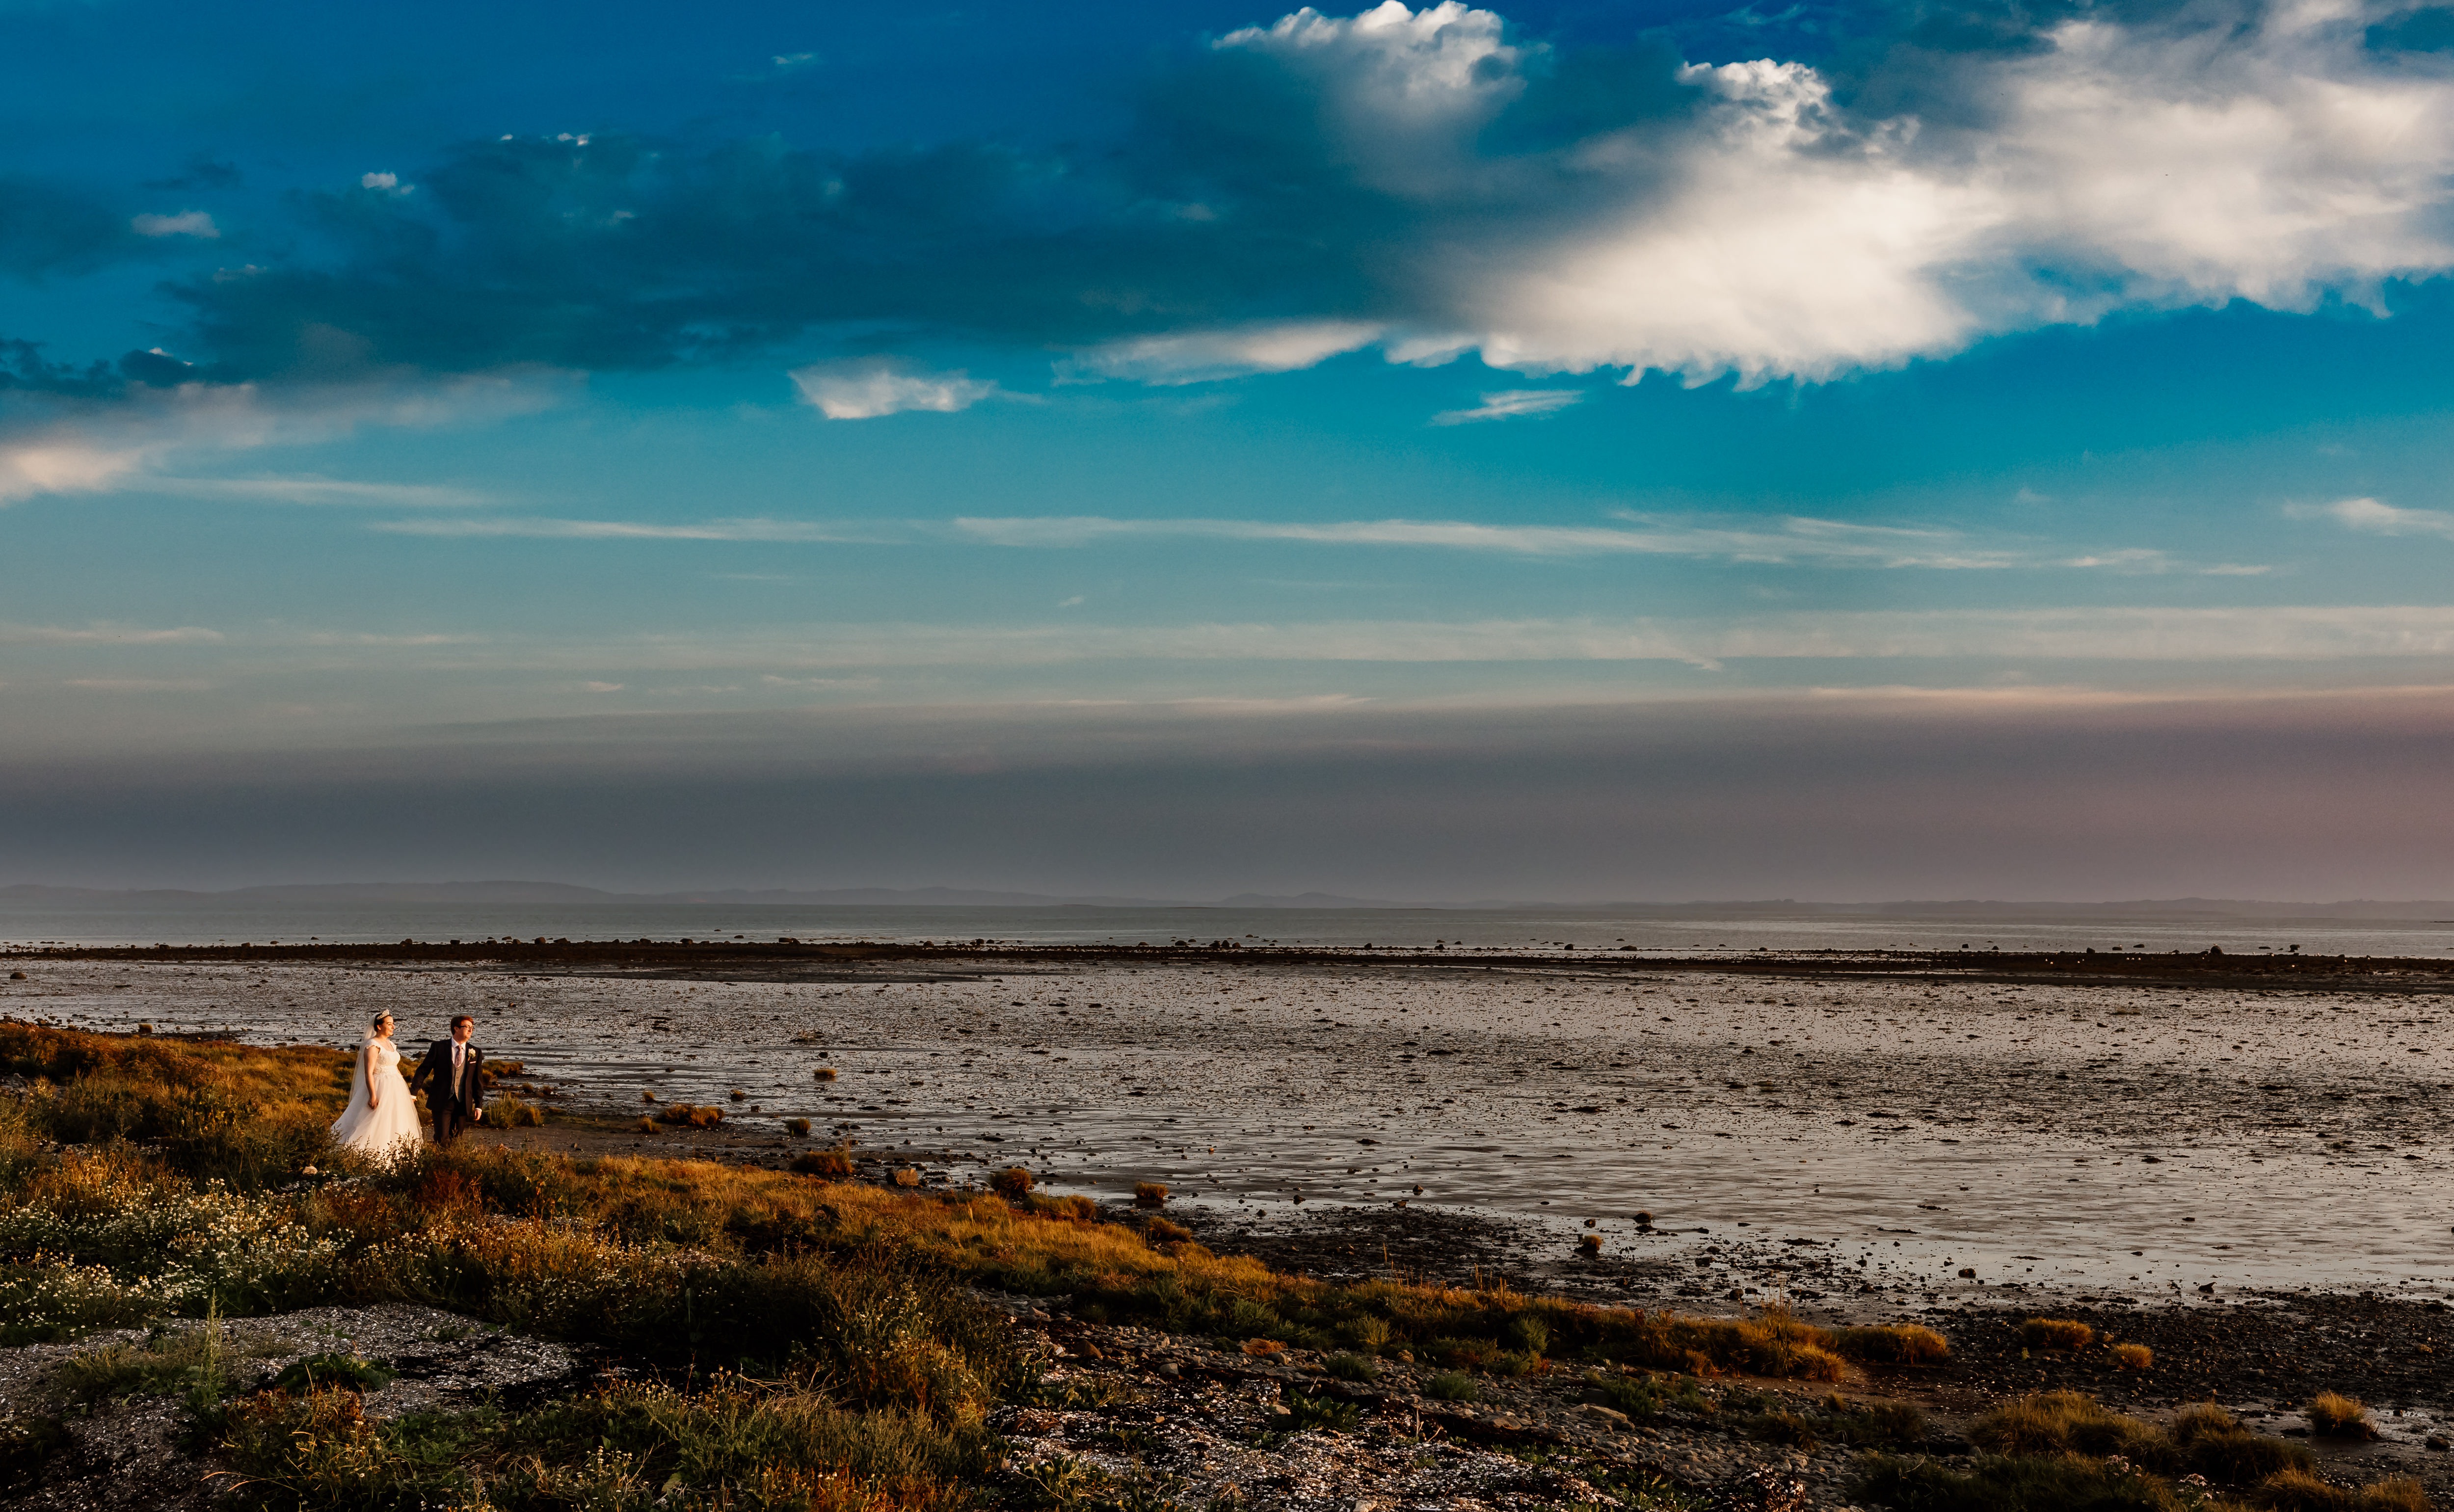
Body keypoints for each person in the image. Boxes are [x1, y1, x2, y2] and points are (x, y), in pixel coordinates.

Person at [329, 1012, 425, 1166]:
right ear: (379, 1027)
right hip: (381, 1085)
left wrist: (405, 1091)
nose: (393, 1027)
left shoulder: (391, 1045)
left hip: (396, 1086)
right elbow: (369, 1072)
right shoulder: (372, 1045)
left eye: (393, 1024)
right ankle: (368, 1155)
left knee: (397, 1119)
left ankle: (398, 1155)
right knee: (377, 1119)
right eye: (389, 1024)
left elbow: (395, 1067)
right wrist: (373, 1095)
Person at [409, 1013, 487, 1146]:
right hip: (442, 1101)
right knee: (442, 1139)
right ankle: (439, 1164)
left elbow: (477, 1081)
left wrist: (479, 1105)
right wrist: (413, 1092)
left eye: (472, 1027)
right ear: (456, 1028)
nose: (470, 1030)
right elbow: (423, 1071)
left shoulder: (476, 1052)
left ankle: (450, 1165)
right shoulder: (439, 1047)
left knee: (457, 1140)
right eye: (467, 1027)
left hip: (463, 1103)